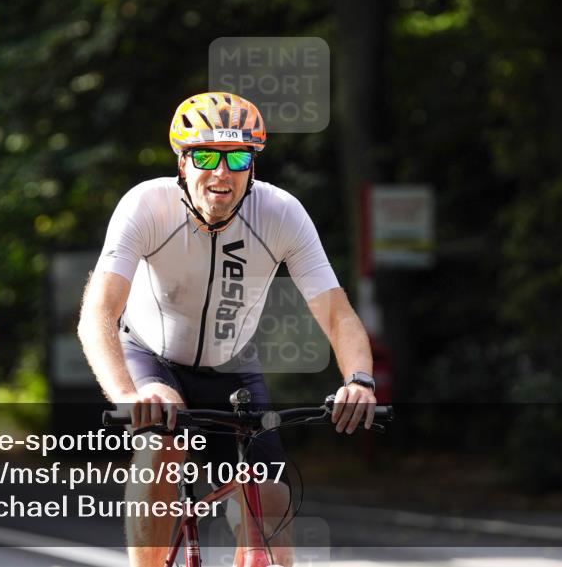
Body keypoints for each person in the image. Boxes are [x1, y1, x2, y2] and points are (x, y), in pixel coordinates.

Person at [78, 92, 377, 567]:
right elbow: (99, 311)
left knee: (272, 508)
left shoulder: (281, 214)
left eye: (237, 157)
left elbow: (337, 314)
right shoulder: (146, 205)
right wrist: (126, 395)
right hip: (152, 357)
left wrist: (359, 380)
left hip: (233, 368)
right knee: (163, 437)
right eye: (205, 156)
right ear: (182, 161)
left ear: (252, 166)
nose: (221, 173)